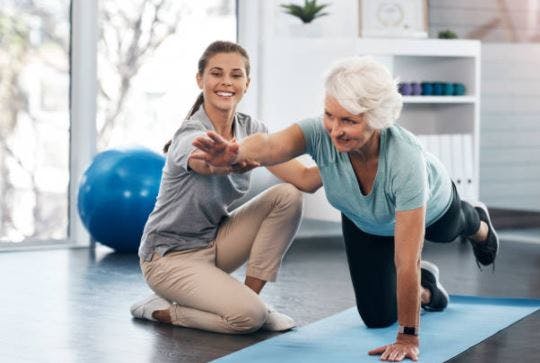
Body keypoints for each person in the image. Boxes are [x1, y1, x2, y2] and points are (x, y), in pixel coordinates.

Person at [191, 56, 499, 361]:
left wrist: (408, 336)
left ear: (378, 119)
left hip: (434, 210)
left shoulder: (406, 160)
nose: (335, 129)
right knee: (377, 317)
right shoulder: (319, 133)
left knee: (452, 228)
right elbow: (271, 146)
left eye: (349, 120)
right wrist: (234, 153)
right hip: (364, 221)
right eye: (330, 115)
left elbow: (407, 259)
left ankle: (479, 222)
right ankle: (427, 289)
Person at [130, 40, 322, 334]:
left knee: (288, 195)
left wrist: (349, 154)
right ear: (200, 80)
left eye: (236, 75)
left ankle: (249, 299)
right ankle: (161, 311)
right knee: (247, 320)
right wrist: (226, 162)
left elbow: (305, 180)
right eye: (216, 73)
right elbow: (205, 163)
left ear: (247, 83)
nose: (226, 82)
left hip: (214, 244)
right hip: (167, 258)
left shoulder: (253, 130)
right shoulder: (190, 133)